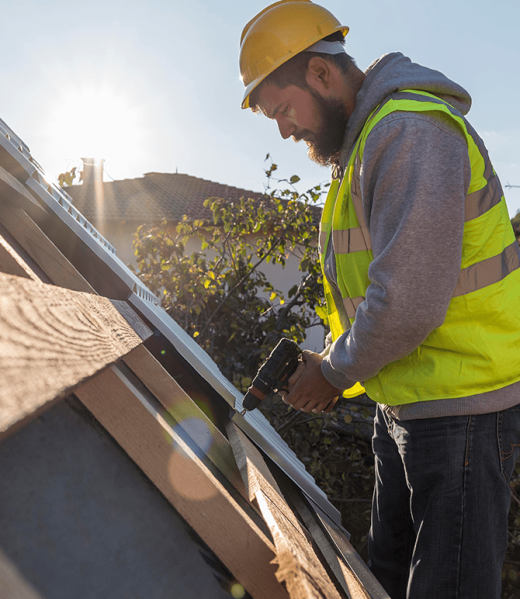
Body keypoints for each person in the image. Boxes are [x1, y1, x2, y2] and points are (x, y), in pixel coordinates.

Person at [239, 1, 520, 598]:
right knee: (385, 582)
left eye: (283, 110)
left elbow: (407, 302)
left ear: (321, 73)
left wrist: (334, 373)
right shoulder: (364, 146)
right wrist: (336, 365)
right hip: (409, 401)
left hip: (461, 407)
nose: (284, 129)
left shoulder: (408, 134)